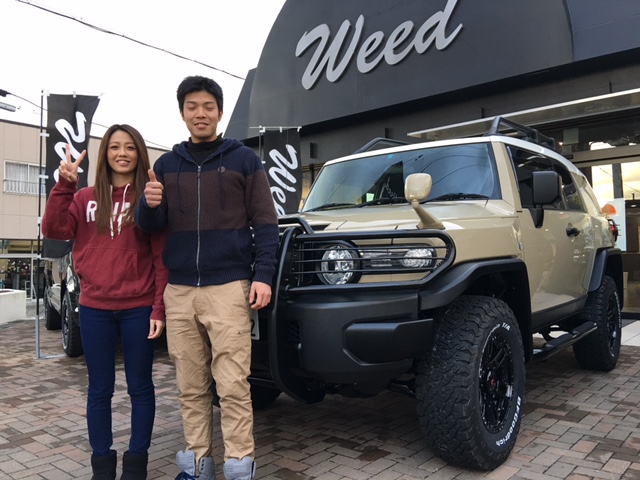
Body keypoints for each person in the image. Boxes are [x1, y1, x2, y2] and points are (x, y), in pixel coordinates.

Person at [135, 76, 279, 480]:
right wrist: (148, 205)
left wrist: (263, 274)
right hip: (180, 290)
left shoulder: (244, 159)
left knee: (232, 385)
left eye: (208, 106)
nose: (200, 113)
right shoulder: (166, 165)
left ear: (219, 112)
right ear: (182, 113)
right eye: (192, 106)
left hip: (229, 287)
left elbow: (266, 222)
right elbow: (150, 227)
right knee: (190, 386)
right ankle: (197, 467)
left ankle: (239, 469)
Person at [42, 124, 168, 480]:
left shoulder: (147, 198)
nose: (122, 153)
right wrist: (64, 185)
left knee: (140, 387)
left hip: (139, 307)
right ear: (105, 154)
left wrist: (158, 307)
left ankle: (136, 465)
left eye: (129, 147)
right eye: (114, 147)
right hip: (95, 307)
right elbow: (54, 230)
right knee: (99, 390)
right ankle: (102, 466)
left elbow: (160, 257)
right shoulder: (84, 197)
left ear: (139, 153)